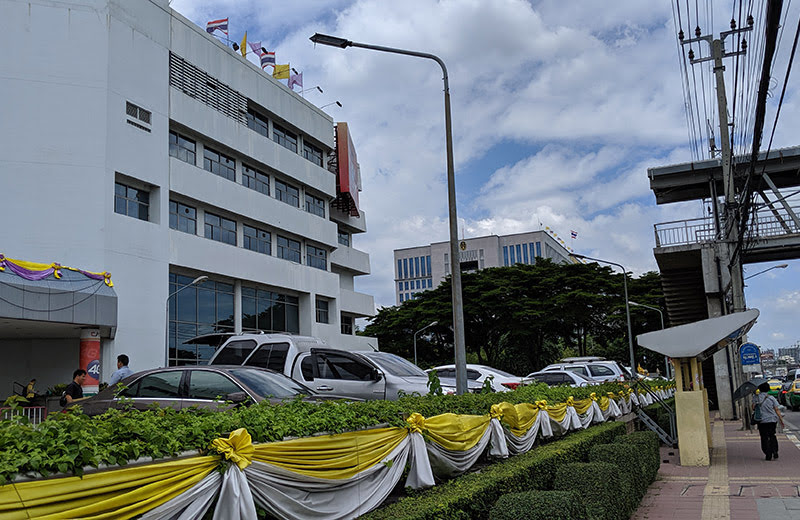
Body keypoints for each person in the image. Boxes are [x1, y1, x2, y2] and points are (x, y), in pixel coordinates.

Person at [753, 382, 784, 461]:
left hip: (761, 421)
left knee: (764, 437)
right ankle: (775, 451)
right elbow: (776, 409)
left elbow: (753, 408)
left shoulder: (756, 397)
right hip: (772, 420)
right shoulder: (771, 398)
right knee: (772, 435)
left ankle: (768, 453)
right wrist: (781, 419)